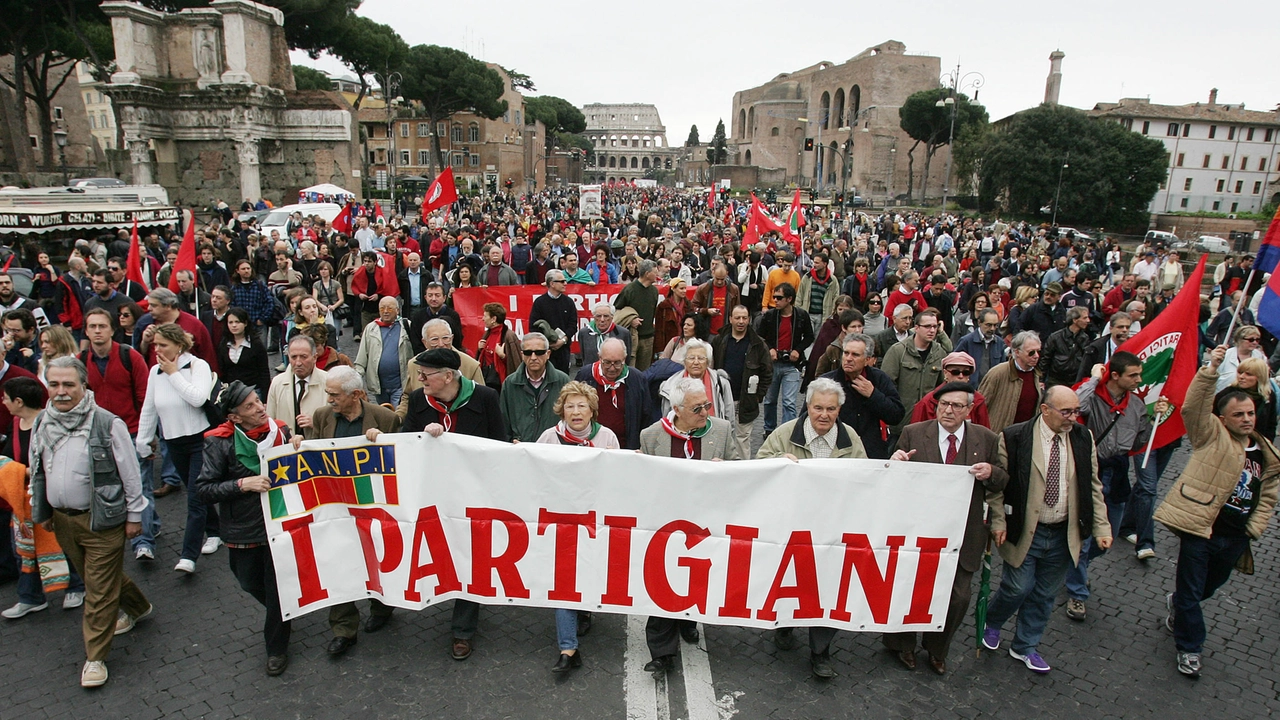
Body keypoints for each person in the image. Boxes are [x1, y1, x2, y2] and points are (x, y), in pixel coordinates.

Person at [1153, 345, 1279, 678]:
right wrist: (1211, 369)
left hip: (1236, 536)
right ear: (1223, 418)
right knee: (1193, 591)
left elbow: (1267, 494)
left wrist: (1255, 526)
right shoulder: (1210, 435)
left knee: (1209, 586)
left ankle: (1178, 604)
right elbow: (1193, 407)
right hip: (1202, 530)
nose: (1246, 420)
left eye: (1250, 413)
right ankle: (1190, 648)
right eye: (1239, 415)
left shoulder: (1266, 452)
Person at [29, 357, 151, 688]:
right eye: (54, 384)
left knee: (96, 590)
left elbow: (130, 474)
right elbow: (38, 470)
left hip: (103, 521)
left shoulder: (107, 424)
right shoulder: (42, 422)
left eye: (68, 384)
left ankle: (95, 658)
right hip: (62, 520)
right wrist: (42, 511)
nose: (61, 392)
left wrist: (135, 516)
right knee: (97, 576)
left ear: (84, 385)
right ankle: (138, 607)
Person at [982, 386, 1110, 674]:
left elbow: (1093, 485)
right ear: (1045, 409)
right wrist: (999, 521)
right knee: (1017, 587)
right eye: (1066, 412)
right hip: (1027, 529)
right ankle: (991, 621)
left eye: (1077, 411)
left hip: (1064, 532)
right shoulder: (1015, 437)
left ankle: (1025, 645)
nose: (1073, 418)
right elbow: (998, 486)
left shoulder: (1082, 437)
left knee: (1044, 594)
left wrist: (1101, 526)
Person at [389, 347, 507, 661]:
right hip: (433, 496)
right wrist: (423, 439)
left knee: (469, 557)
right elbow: (406, 444)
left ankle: (463, 631)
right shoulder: (418, 400)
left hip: (472, 497)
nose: (420, 379)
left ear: (449, 376)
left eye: (426, 374)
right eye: (420, 373)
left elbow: (499, 446)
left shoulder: (485, 398)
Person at [886, 381, 1007, 675]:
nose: (948, 410)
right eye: (943, 404)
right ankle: (902, 644)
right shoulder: (914, 433)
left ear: (969, 410)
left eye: (955, 406)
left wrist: (991, 473)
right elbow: (892, 473)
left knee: (958, 597)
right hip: (919, 529)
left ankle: (937, 649)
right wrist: (895, 462)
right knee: (910, 589)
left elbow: (1004, 479)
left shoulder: (987, 439)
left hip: (963, 533)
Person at [756, 377, 866, 678]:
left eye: (831, 409)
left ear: (839, 410)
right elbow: (759, 462)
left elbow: (863, 480)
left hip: (831, 530)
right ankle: (785, 625)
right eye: (818, 407)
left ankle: (821, 652)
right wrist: (780, 459)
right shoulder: (784, 434)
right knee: (789, 582)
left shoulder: (851, 439)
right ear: (807, 406)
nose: (824, 415)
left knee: (827, 589)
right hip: (791, 528)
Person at [292, 366, 401, 656]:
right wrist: (300, 446)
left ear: (356, 395)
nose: (328, 399)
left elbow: (403, 461)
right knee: (337, 563)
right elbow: (314, 456)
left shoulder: (386, 419)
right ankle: (343, 629)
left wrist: (386, 443)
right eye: (328, 393)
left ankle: (382, 606)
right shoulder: (322, 417)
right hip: (335, 508)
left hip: (373, 508)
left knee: (375, 559)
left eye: (334, 394)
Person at [639, 376, 738, 677]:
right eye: (698, 408)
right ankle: (662, 653)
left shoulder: (720, 431)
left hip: (706, 525)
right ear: (677, 409)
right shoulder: (652, 436)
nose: (706, 412)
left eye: (708, 405)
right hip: (665, 526)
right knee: (663, 584)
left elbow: (740, 468)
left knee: (696, 580)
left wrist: (726, 470)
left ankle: (688, 621)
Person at [194, 381, 292, 676]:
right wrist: (241, 484)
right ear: (234, 417)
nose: (260, 408)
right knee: (248, 581)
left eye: (258, 401)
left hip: (279, 523)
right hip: (242, 528)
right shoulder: (218, 442)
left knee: (277, 590)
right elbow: (204, 489)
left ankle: (276, 647)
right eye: (250, 406)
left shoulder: (280, 432)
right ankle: (286, 610)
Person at [1065, 352, 1164, 621]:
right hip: (1088, 468)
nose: (1139, 379)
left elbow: (1137, 443)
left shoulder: (1136, 405)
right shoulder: (1093, 394)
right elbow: (1076, 407)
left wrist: (1153, 420)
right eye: (1133, 375)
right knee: (1085, 535)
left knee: (1109, 535)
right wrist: (1094, 380)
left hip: (1117, 470)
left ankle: (1075, 566)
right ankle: (1076, 592)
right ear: (1116, 375)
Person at [533, 381, 620, 674]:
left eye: (582, 405)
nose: (575, 411)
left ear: (592, 410)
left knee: (588, 574)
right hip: (561, 523)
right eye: (569, 406)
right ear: (562, 410)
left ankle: (584, 611)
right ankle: (568, 648)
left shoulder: (607, 437)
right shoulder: (549, 437)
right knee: (564, 583)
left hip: (593, 522)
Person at [135, 323, 219, 574]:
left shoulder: (197, 366)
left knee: (194, 498)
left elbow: (198, 398)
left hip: (199, 440)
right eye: (155, 345)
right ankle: (216, 530)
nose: (157, 350)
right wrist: (142, 440)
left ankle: (188, 556)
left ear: (179, 345)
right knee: (199, 493)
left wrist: (173, 373)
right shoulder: (153, 373)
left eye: (163, 345)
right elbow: (149, 409)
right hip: (173, 443)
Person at [1, 377, 87, 618]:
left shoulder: (49, 423)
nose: (3, 402)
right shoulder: (16, 424)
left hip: (50, 495)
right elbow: (10, 455)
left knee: (61, 542)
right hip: (24, 499)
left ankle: (75, 586)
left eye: (6, 398)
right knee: (23, 549)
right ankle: (30, 597)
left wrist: (20, 471)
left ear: (19, 401)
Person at [78, 309, 153, 560]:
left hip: (131, 430)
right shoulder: (80, 362)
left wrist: (147, 432)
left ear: (112, 329)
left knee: (140, 485)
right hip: (98, 436)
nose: (97, 331)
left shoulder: (128, 356)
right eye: (92, 327)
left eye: (102, 326)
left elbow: (144, 396)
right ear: (86, 331)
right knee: (114, 485)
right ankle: (152, 522)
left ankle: (143, 541)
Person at [819, 333, 904, 458]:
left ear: (867, 360)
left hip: (870, 453)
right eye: (846, 353)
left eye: (855, 355)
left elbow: (896, 415)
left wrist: (873, 395)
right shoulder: (826, 382)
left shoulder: (879, 378)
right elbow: (807, 418)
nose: (848, 358)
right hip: (835, 452)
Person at [881, 309, 946, 441]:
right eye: (927, 326)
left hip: (928, 421)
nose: (932, 330)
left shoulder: (939, 353)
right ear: (916, 328)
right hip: (901, 422)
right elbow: (886, 385)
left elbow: (942, 387)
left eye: (935, 326)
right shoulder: (898, 351)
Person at [575, 338, 650, 450]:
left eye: (617, 363)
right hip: (592, 447)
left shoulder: (637, 379)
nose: (612, 368)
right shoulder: (585, 376)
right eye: (607, 362)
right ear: (599, 358)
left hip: (626, 449)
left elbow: (646, 416)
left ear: (624, 359)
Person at [758, 283, 812, 436]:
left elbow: (809, 337)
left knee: (789, 402)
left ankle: (786, 432)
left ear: (789, 299)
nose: (775, 300)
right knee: (769, 400)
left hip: (792, 365)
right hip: (772, 364)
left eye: (779, 298)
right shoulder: (769, 316)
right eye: (774, 297)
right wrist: (770, 349)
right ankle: (769, 429)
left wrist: (798, 350)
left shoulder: (801, 315)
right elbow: (760, 336)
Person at [499, 333, 570, 442]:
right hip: (520, 451)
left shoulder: (563, 382)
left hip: (554, 451)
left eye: (539, 352)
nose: (533, 357)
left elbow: (570, 420)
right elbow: (503, 422)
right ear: (522, 355)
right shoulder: (510, 384)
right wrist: (510, 443)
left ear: (548, 354)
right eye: (528, 353)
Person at [133, 288, 218, 371]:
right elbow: (140, 356)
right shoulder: (144, 323)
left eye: (154, 305)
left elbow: (208, 356)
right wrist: (145, 342)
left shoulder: (194, 325)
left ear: (168, 306)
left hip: (186, 379)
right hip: (156, 378)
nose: (149, 308)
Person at [353, 296, 413, 406]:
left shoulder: (407, 326)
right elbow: (362, 356)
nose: (385, 311)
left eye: (389, 308)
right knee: (384, 415)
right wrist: (355, 377)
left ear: (397, 310)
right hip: (379, 386)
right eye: (382, 308)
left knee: (397, 414)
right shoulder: (371, 328)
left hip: (401, 384)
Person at [979, 330, 1043, 431]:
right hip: (999, 435)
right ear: (1017, 352)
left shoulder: (1036, 374)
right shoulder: (998, 373)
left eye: (1038, 351)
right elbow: (980, 405)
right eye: (1031, 352)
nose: (1036, 356)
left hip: (1026, 434)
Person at [265, 335, 329, 436]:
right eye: (294, 357)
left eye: (304, 357)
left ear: (315, 357)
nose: (298, 363)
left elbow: (338, 423)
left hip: (318, 448)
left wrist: (316, 424)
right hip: (287, 448)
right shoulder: (277, 383)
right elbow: (269, 422)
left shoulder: (328, 382)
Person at [910, 352, 992, 428]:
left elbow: (984, 434)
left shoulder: (978, 400)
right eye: (955, 372)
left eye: (966, 372)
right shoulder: (928, 401)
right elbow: (915, 434)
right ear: (945, 373)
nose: (960, 376)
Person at [528, 270, 579, 375]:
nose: (565, 283)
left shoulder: (568, 302)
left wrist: (563, 340)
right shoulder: (539, 303)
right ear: (552, 283)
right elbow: (533, 327)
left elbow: (573, 326)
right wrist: (547, 343)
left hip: (563, 351)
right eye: (562, 281)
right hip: (544, 351)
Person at [614, 259, 661, 370]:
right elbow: (617, 311)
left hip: (648, 338)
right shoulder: (629, 290)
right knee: (630, 369)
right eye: (655, 272)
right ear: (647, 274)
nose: (657, 275)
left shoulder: (654, 291)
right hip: (631, 337)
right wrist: (630, 320)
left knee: (644, 371)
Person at [217, 307, 272, 400]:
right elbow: (223, 370)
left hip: (254, 391)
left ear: (245, 323)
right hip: (233, 393)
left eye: (237, 322)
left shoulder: (256, 344)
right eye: (230, 322)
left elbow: (264, 372)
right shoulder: (224, 344)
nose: (234, 325)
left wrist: (266, 397)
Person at [1041, 306, 1093, 388]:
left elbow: (1086, 361)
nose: (1088, 321)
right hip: (1056, 380)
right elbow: (1045, 359)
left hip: (1075, 381)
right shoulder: (1055, 337)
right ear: (1075, 320)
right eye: (1085, 318)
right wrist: (1041, 380)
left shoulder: (1085, 338)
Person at [1229, 357, 1278, 442]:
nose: (1241, 377)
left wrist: (1266, 443)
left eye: (1248, 374)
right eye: (1240, 372)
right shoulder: (1228, 394)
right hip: (1232, 443)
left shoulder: (1268, 395)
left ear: (1260, 376)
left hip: (1258, 445)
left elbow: (1271, 423)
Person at [407, 282, 463, 354]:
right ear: (425, 298)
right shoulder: (417, 316)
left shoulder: (453, 315)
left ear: (444, 298)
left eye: (437, 295)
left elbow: (457, 340)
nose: (433, 299)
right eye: (430, 295)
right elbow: (415, 342)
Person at [476, 302, 522, 387]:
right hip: (486, 379)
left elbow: (516, 362)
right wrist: (480, 349)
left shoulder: (509, 336)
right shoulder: (487, 334)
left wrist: (503, 356)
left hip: (501, 384)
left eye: (485, 316)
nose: (483, 319)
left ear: (493, 319)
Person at [1078, 311, 1131, 383]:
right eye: (1120, 327)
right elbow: (1083, 375)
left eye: (1127, 327)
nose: (1124, 330)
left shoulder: (1134, 345)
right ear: (1111, 328)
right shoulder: (1095, 348)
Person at [692, 257, 739, 337]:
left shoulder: (733, 289)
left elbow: (737, 309)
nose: (720, 282)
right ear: (712, 273)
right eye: (717, 279)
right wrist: (706, 311)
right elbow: (693, 307)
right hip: (707, 331)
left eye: (722, 279)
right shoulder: (703, 288)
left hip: (727, 331)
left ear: (727, 274)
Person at [1215, 325, 1268, 393]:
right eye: (1251, 340)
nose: (1255, 343)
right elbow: (1210, 376)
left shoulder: (1260, 356)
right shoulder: (1224, 355)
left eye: (1257, 340)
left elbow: (1264, 378)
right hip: (1224, 395)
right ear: (1239, 340)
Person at [578, 302, 630, 368]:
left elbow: (626, 360)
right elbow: (584, 357)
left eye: (606, 316)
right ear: (594, 317)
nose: (602, 320)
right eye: (598, 316)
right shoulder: (584, 333)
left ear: (612, 317)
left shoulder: (623, 333)